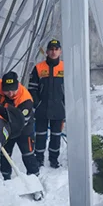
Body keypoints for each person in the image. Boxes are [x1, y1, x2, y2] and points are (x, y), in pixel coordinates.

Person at [0, 71, 40, 180]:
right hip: (5, 124)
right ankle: (6, 179)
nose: (10, 93)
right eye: (6, 90)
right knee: (5, 154)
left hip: (23, 128)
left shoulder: (25, 100)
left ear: (18, 86)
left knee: (28, 153)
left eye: (13, 90)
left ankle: (34, 178)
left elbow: (19, 124)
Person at [28, 39, 65, 168]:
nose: (53, 52)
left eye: (56, 49)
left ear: (60, 51)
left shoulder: (65, 67)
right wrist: (37, 104)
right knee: (40, 135)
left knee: (56, 136)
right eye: (51, 49)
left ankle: (53, 159)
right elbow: (32, 89)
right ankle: (39, 159)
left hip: (59, 109)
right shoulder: (38, 68)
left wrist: (65, 106)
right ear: (47, 52)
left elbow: (70, 90)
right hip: (42, 109)